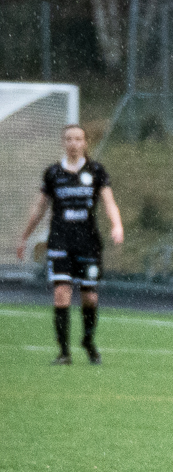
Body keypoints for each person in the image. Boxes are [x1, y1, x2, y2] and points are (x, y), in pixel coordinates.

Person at [17, 124, 123, 365]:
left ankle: (88, 340)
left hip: (88, 242)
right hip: (60, 240)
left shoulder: (96, 171)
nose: (73, 143)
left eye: (78, 139)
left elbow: (109, 202)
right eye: (69, 139)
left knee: (90, 297)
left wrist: (117, 225)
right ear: (63, 143)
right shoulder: (53, 173)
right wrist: (25, 236)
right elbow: (39, 208)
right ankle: (64, 352)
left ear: (85, 143)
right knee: (61, 293)